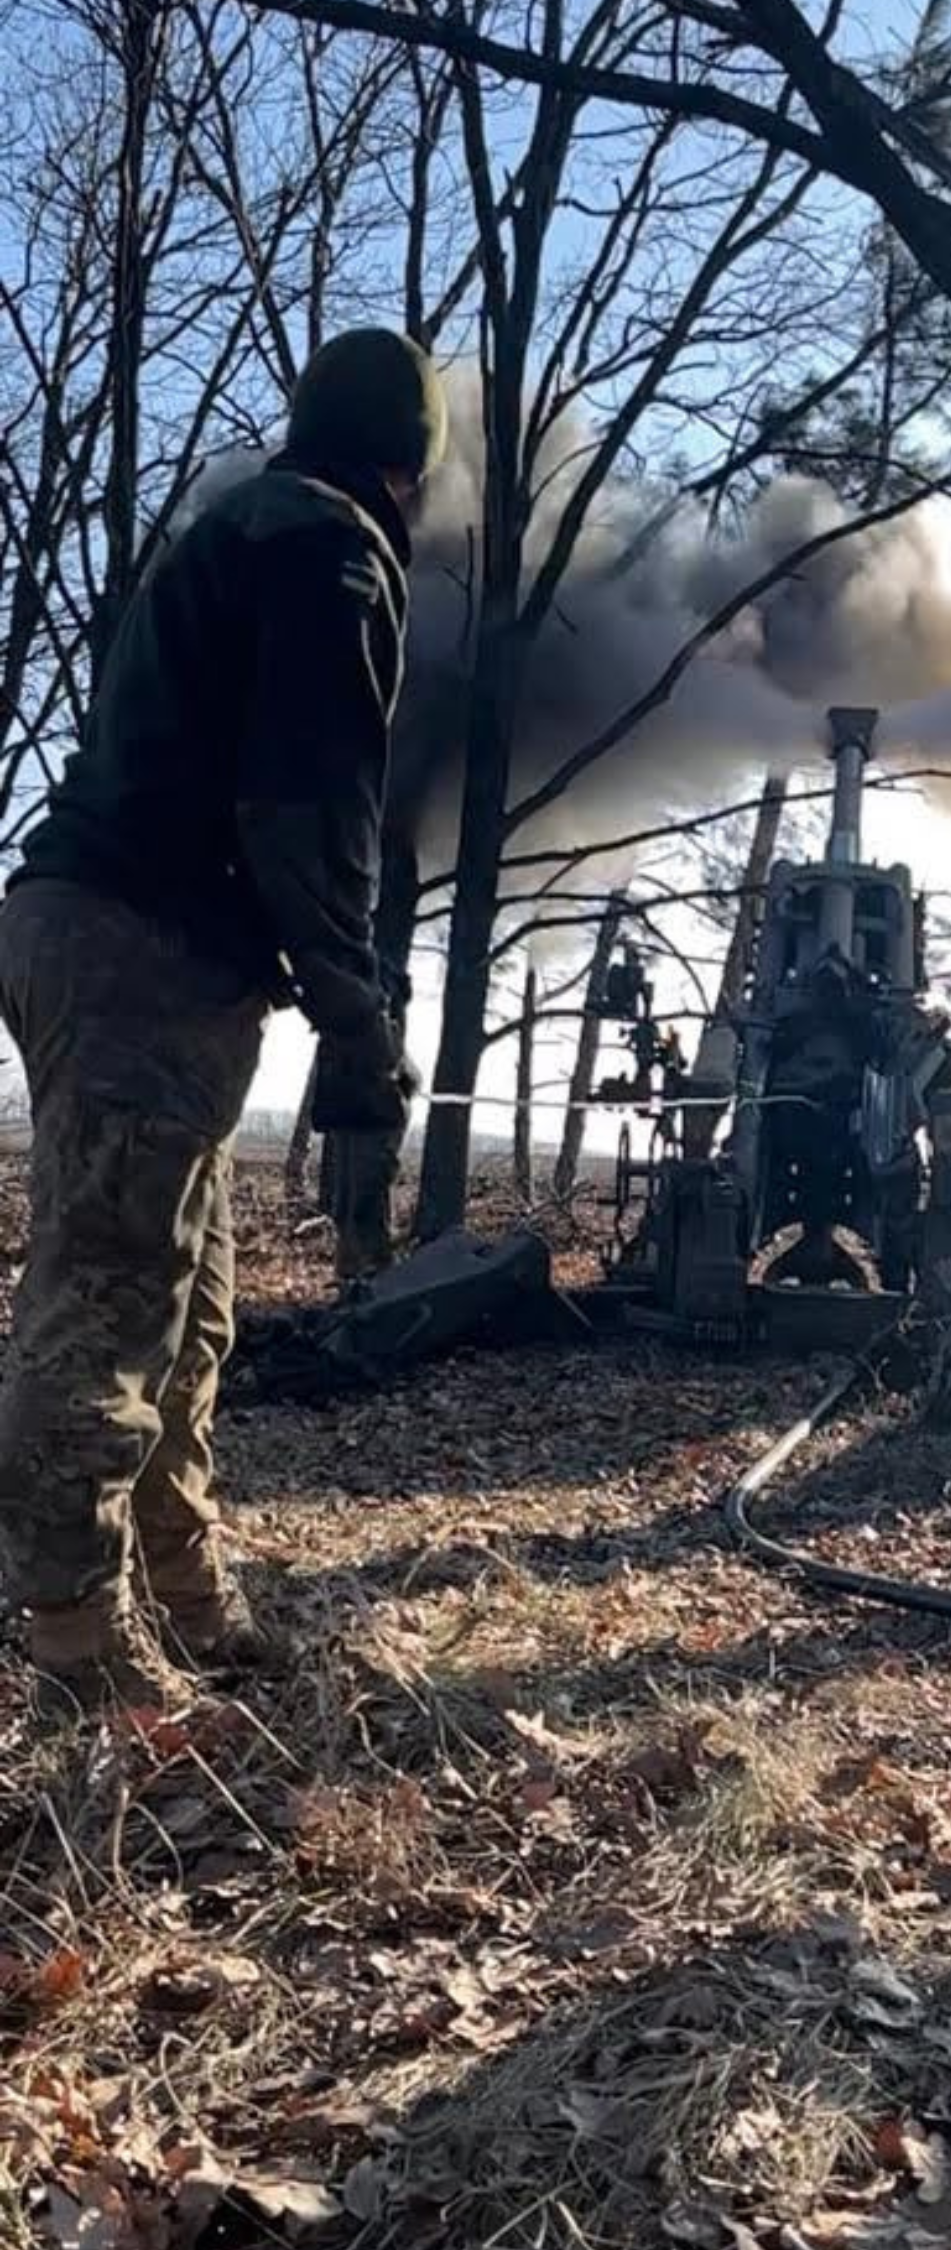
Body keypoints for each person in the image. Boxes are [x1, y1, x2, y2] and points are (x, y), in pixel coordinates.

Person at [0, 328, 447, 1710]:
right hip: (145, 954)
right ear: (404, 462)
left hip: (104, 934)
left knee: (189, 1309)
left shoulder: (234, 530)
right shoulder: (331, 553)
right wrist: (356, 1012)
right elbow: (307, 809)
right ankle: (77, 1641)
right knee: (110, 1298)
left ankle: (184, 1588)